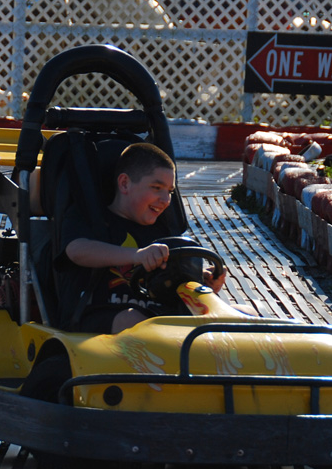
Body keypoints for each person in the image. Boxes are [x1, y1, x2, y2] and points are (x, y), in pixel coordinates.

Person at [55, 141, 228, 334]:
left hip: (155, 319)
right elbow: (76, 251)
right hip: (94, 317)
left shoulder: (163, 232)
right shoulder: (89, 218)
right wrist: (137, 255)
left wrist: (202, 281)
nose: (165, 200)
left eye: (169, 192)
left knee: (241, 314)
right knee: (135, 320)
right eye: (156, 187)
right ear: (124, 183)